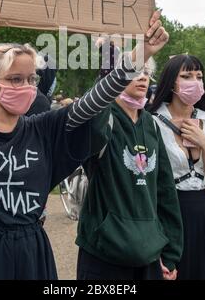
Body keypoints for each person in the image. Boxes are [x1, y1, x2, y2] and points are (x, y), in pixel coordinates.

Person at [0, 0, 167, 280]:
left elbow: (95, 99)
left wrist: (141, 53)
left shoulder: (43, 128)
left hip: (33, 250)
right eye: (15, 79)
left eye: (31, 78)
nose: (26, 86)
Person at [76, 59, 183, 280]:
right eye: (133, 70)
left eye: (145, 71)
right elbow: (89, 117)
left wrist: (170, 253)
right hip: (103, 251)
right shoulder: (103, 119)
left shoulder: (152, 125)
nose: (142, 76)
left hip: (148, 253)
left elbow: (165, 191)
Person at [149, 54, 205, 280]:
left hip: (203, 213)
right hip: (166, 211)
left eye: (199, 76)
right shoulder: (152, 122)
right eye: (186, 76)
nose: (194, 82)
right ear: (171, 82)